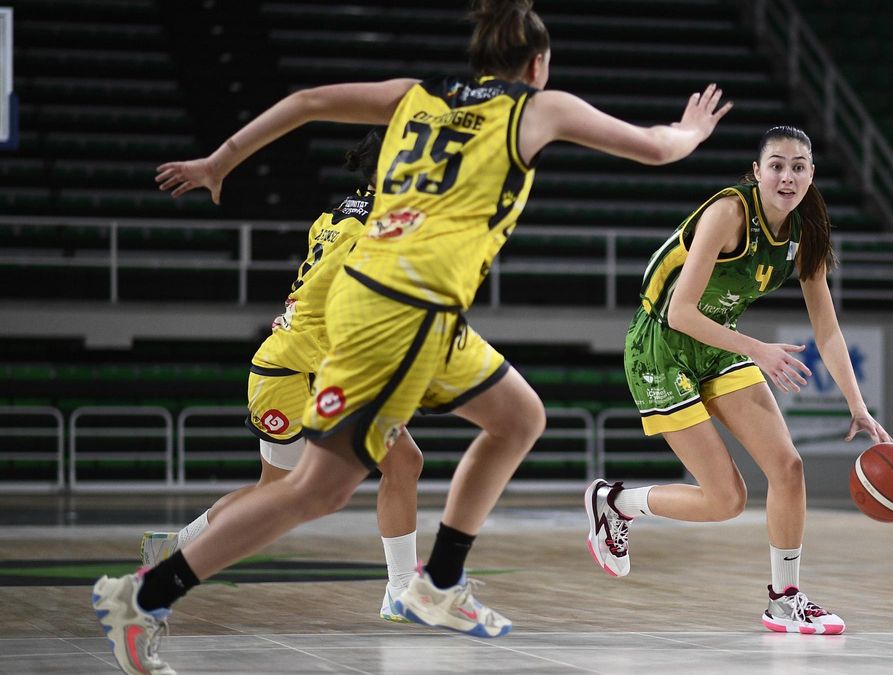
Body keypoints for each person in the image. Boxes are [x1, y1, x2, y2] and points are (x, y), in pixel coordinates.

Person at [92, 0, 731, 671]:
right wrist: (689, 132)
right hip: (404, 308)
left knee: (518, 415)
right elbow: (658, 148)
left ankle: (440, 581)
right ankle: (144, 594)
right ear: (537, 64)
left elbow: (307, 99)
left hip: (404, 304)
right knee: (317, 490)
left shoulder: (415, 95)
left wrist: (220, 161)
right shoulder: (536, 108)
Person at [584, 125, 891, 636]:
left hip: (718, 340)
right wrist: (758, 350)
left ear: (812, 175)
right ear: (756, 172)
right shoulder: (728, 213)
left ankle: (785, 600)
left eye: (798, 166)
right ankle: (614, 503)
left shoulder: (806, 230)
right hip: (660, 344)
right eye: (777, 165)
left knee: (788, 468)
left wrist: (857, 406)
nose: (787, 176)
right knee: (727, 500)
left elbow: (828, 329)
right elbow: (680, 311)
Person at [139, 130, 432, 623]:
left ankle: (174, 549)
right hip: (303, 369)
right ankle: (400, 589)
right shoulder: (376, 229)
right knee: (295, 491)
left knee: (388, 466)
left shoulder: (340, 214)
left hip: (299, 362)